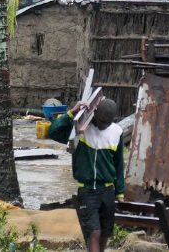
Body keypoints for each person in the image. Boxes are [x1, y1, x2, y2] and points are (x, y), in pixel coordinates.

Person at [47, 99, 125, 252]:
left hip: (107, 190)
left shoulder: (117, 132)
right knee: (93, 233)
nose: (104, 125)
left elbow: (118, 164)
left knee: (104, 233)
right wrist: (72, 112)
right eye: (101, 121)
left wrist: (120, 192)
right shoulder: (79, 129)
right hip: (87, 191)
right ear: (94, 114)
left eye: (107, 122)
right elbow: (53, 132)